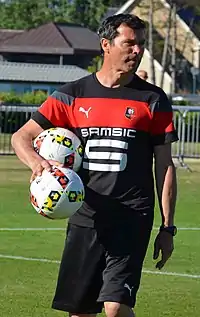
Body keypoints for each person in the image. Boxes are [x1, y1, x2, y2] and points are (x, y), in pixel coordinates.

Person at [11, 13, 178, 317]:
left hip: (132, 216)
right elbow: (21, 137)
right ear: (106, 45)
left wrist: (168, 227)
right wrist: (38, 164)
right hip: (85, 216)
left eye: (140, 44)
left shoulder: (154, 100)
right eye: (129, 43)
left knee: (115, 307)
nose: (137, 51)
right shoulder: (72, 95)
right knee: (81, 312)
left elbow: (165, 166)